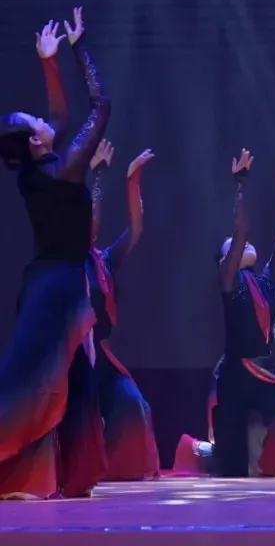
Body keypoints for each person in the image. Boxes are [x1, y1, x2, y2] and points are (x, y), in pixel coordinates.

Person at [0, 9, 110, 499]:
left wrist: (49, 61)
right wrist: (79, 47)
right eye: (36, 121)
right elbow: (100, 107)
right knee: (35, 383)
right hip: (56, 287)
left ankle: (73, 474)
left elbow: (62, 118)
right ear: (33, 140)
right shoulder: (58, 172)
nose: (45, 120)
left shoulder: (42, 167)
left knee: (76, 377)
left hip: (55, 281)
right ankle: (26, 472)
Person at [174, 150, 275, 477]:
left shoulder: (268, 281)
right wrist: (241, 184)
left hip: (261, 374)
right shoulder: (229, 280)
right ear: (226, 259)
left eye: (243, 244)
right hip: (233, 379)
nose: (243, 244)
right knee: (229, 468)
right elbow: (242, 229)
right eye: (232, 245)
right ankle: (198, 451)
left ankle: (265, 466)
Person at [86, 141, 160, 481]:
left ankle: (110, 471)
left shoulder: (104, 260)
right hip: (72, 359)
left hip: (102, 359)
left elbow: (136, 229)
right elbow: (90, 219)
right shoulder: (65, 262)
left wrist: (132, 182)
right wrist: (97, 175)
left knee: (132, 404)